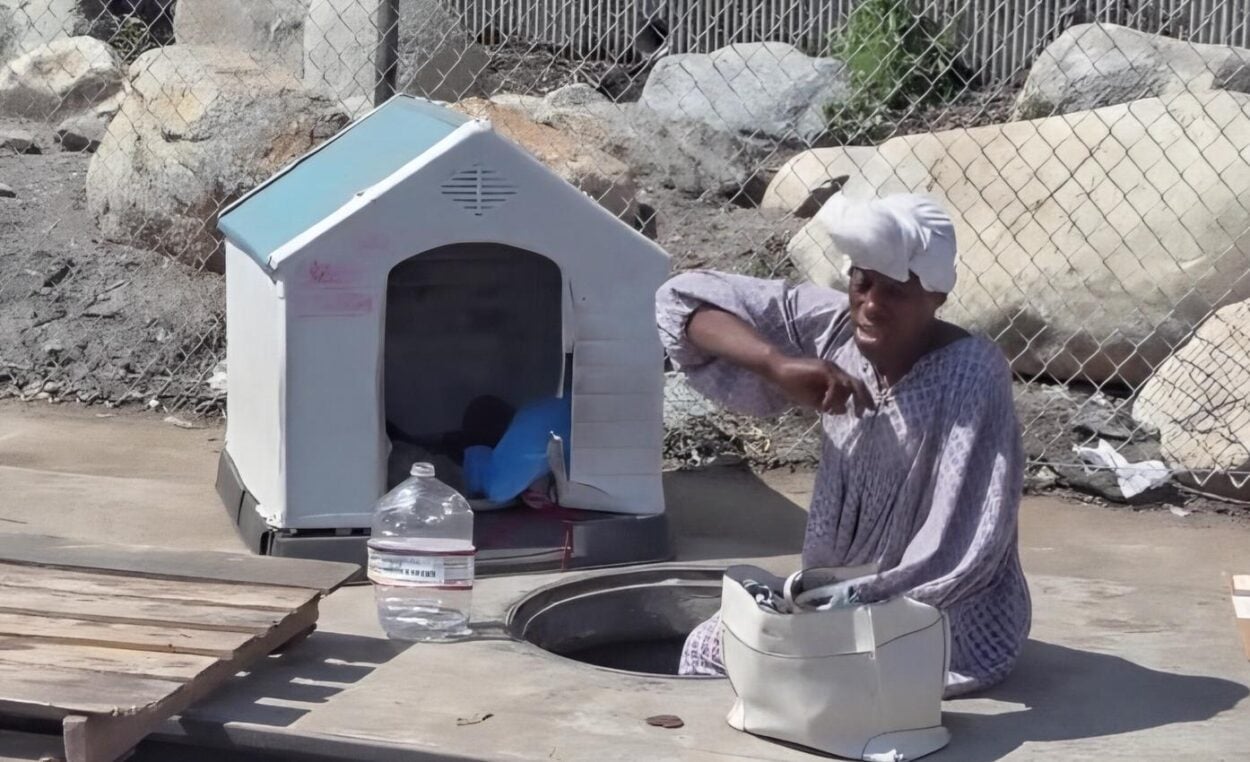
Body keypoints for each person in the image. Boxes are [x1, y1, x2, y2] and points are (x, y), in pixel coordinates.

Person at [657, 193, 1030, 696]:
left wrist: (838, 608)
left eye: (895, 291)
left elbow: (957, 551)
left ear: (936, 297)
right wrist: (777, 364)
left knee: (804, 675)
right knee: (708, 646)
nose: (870, 305)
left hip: (937, 619)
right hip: (837, 600)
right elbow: (683, 300)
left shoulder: (970, 373)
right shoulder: (835, 329)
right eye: (862, 281)